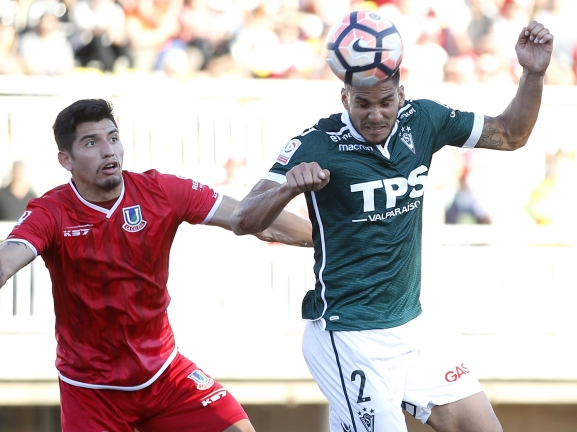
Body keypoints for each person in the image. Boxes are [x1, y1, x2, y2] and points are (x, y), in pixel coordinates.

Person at [231, 17, 553, 432]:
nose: (375, 114)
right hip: (348, 334)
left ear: (401, 94)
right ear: (344, 97)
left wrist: (533, 74)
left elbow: (510, 134)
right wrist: (288, 189)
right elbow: (245, 218)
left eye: (385, 102)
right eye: (362, 104)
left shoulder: (426, 120)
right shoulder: (317, 144)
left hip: (411, 328)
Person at [0, 99, 312, 431]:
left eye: (113, 138)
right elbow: (12, 250)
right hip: (91, 390)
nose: (108, 150)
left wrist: (327, 238)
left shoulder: (162, 191)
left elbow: (250, 217)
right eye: (91, 143)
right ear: (65, 160)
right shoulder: (52, 211)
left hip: (165, 374)